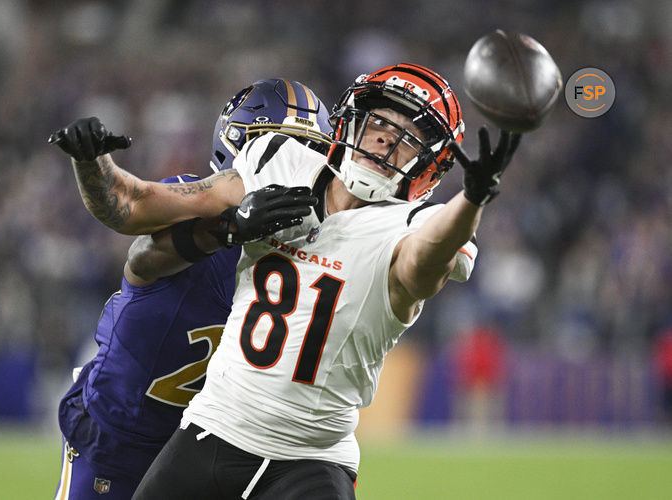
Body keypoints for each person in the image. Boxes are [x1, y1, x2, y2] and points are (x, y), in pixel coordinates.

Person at [50, 63, 520, 499]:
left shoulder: (414, 226)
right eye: (380, 124)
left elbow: (427, 258)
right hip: (194, 427)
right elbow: (135, 214)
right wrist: (94, 162)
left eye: (411, 139)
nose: (387, 144)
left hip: (309, 454)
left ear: (430, 167)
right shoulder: (276, 164)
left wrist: (473, 200)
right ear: (350, 120)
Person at [52, 79, 333, 500]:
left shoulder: (321, 251)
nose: (293, 162)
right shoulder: (205, 208)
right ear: (237, 145)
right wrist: (227, 230)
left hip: (214, 446)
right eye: (280, 145)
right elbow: (141, 253)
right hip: (122, 429)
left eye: (310, 149)